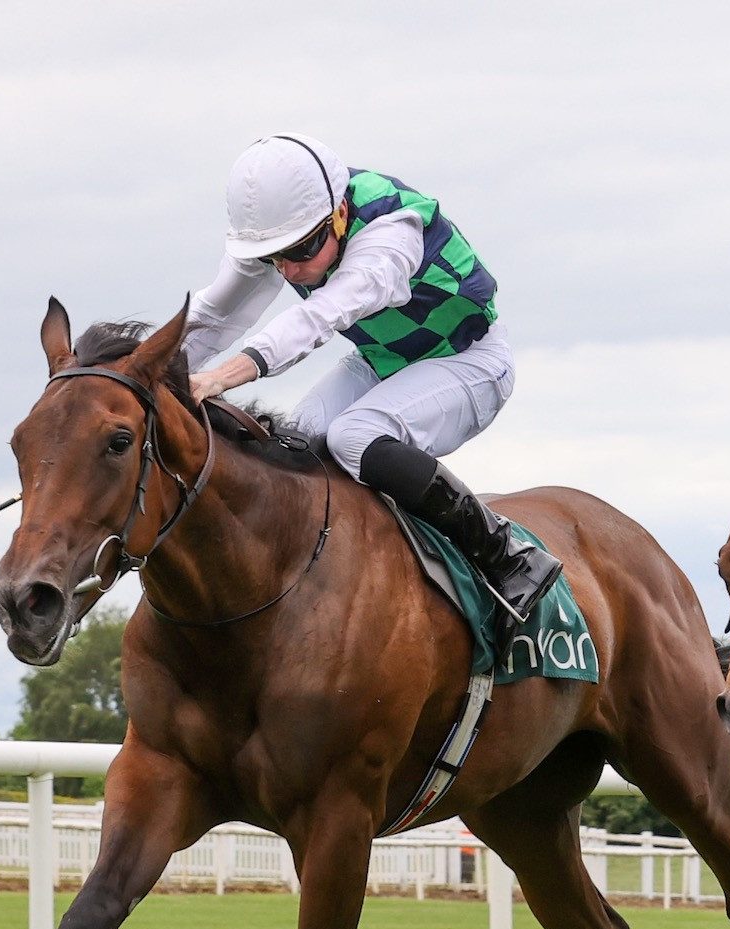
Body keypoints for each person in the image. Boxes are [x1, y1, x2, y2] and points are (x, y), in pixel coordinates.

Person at [181, 133, 560, 623]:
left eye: (302, 250)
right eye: (276, 258)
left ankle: (504, 554)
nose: (291, 270)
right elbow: (213, 315)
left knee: (352, 437)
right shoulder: (288, 232)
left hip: (473, 363)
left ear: (339, 213)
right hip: (383, 360)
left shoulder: (391, 233)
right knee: (297, 442)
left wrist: (220, 378)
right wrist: (138, 371)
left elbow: (319, 317)